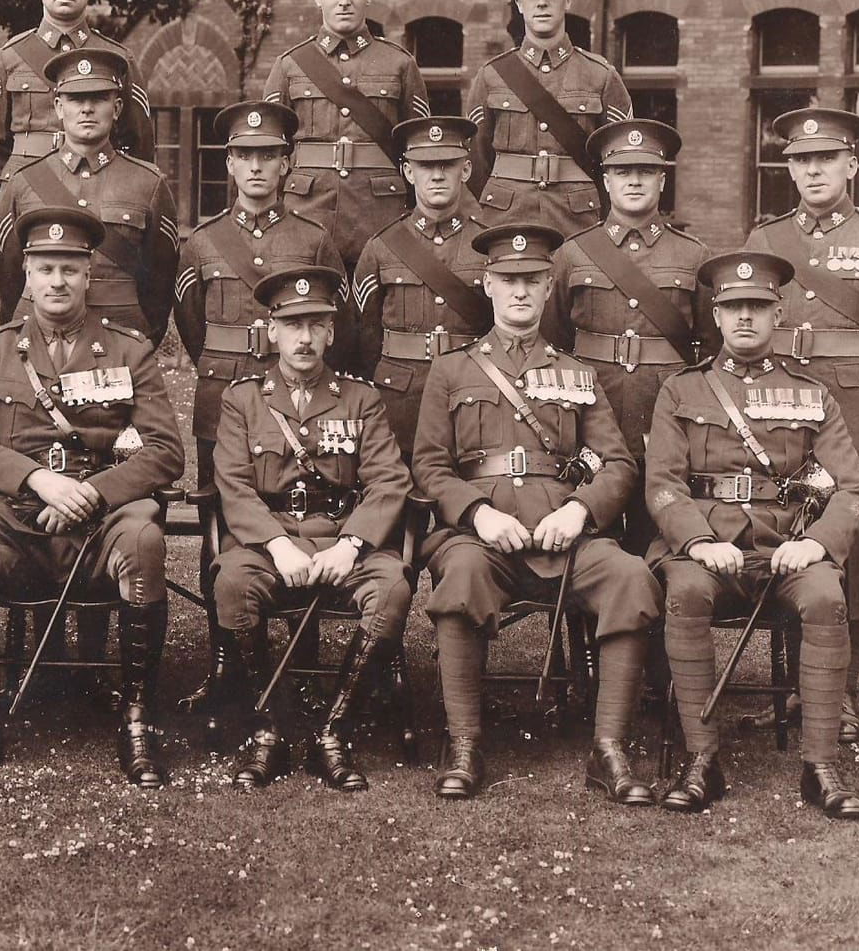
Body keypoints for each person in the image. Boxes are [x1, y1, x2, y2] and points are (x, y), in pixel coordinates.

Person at [410, 223, 662, 804]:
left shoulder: (577, 372)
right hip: (483, 538)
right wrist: (477, 515)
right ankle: (465, 744)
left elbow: (618, 464)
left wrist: (579, 511)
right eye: (507, 280)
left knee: (628, 576)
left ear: (550, 289)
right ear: (488, 285)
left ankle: (610, 748)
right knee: (463, 575)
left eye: (531, 281)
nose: (519, 291)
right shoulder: (452, 370)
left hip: (563, 534)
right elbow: (429, 466)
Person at [0, 206, 184, 786]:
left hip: (103, 522)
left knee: (145, 540)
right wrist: (38, 480)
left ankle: (136, 718)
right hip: (17, 515)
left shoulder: (129, 350)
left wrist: (93, 493)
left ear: (88, 275)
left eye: (69, 269)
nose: (57, 281)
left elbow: (165, 451)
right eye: (45, 268)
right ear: (25, 273)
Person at [645, 250, 859, 820]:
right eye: (733, 308)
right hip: (708, 547)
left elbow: (850, 489)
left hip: (786, 547)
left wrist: (816, 544)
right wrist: (698, 542)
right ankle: (702, 761)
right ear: (717, 318)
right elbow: (663, 484)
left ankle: (820, 767)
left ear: (778, 316)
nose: (745, 318)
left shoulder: (812, 393)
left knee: (825, 596)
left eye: (758, 307)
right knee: (686, 593)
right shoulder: (682, 390)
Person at [744, 107, 859, 744]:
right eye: (801, 160)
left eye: (825, 159)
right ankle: (792, 685)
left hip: (858, 416)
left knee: (854, 551)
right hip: (780, 418)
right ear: (788, 168)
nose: (813, 170)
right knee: (788, 542)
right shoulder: (766, 240)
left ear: (852, 165)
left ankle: (842, 690)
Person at [210, 266, 413, 792]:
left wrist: (350, 545)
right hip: (269, 537)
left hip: (341, 535)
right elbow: (232, 483)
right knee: (232, 584)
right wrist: (277, 545)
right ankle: (267, 730)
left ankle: (332, 732)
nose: (303, 338)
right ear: (271, 330)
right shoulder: (243, 399)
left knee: (390, 588)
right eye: (291, 324)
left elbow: (389, 480)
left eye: (315, 324)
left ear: (331, 332)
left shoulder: (361, 400)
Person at [546, 119, 712, 549]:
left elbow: (710, 349)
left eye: (645, 171)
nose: (634, 180)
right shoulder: (573, 253)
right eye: (622, 171)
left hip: (663, 413)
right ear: (605, 179)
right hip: (591, 409)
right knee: (589, 531)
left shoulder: (694, 257)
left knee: (656, 531)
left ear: (662, 178)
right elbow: (553, 342)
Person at [173, 101, 348, 489]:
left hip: (297, 389)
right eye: (244, 155)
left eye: (268, 155)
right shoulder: (202, 243)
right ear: (229, 163)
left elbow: (339, 322)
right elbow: (189, 323)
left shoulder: (313, 239)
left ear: (285, 164)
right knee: (216, 505)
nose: (256, 166)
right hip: (221, 388)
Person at [261, 0, 428, 268]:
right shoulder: (290, 65)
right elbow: (266, 149)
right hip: (306, 210)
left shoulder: (400, 65)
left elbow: (421, 150)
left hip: (380, 213)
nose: (344, 1)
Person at [0, 48, 178, 344]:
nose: (87, 109)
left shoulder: (149, 184)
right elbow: (8, 277)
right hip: (40, 336)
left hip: (119, 336)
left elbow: (161, 281)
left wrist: (139, 343)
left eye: (98, 98)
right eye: (76, 99)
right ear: (57, 106)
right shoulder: (22, 182)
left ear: (117, 108)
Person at [0, 0, 154, 202]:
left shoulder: (118, 59)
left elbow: (140, 142)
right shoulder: (10, 57)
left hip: (100, 195)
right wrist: (14, 195)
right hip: (30, 194)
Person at [353, 116, 494, 462]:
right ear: (407, 172)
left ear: (465, 170)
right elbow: (362, 335)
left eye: (447, 165)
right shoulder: (381, 247)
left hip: (471, 398)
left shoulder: (490, 245)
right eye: (425, 165)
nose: (436, 175)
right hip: (400, 399)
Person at [467, 0, 632, 235]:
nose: (542, 2)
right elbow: (476, 163)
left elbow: (621, 162)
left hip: (579, 222)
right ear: (518, 3)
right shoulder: (492, 76)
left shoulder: (601, 76)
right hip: (506, 218)